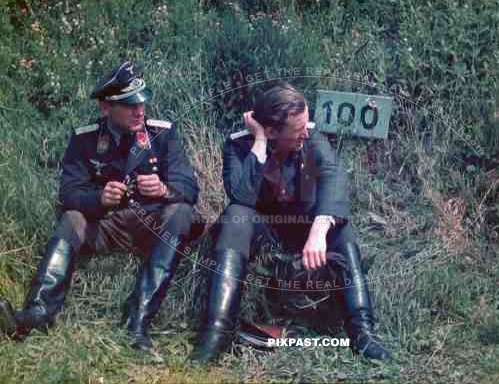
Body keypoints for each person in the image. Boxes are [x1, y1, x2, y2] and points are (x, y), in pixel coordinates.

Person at [0, 61, 200, 352]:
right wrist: (98, 199)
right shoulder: (85, 138)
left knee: (181, 211)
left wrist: (164, 189)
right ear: (106, 108)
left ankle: (138, 321)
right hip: (108, 226)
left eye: (141, 102)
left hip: (151, 226)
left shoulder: (163, 134)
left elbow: (190, 189)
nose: (139, 111)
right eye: (129, 104)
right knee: (72, 218)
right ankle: (38, 313)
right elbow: (69, 193)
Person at [188, 83, 392, 365]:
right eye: (297, 131)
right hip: (265, 236)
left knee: (342, 228)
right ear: (271, 131)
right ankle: (217, 333)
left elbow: (334, 175)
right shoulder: (238, 145)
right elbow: (242, 196)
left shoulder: (310, 136)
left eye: (306, 124)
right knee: (236, 215)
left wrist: (320, 229)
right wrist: (259, 143)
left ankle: (362, 333)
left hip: (305, 231)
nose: (305, 132)